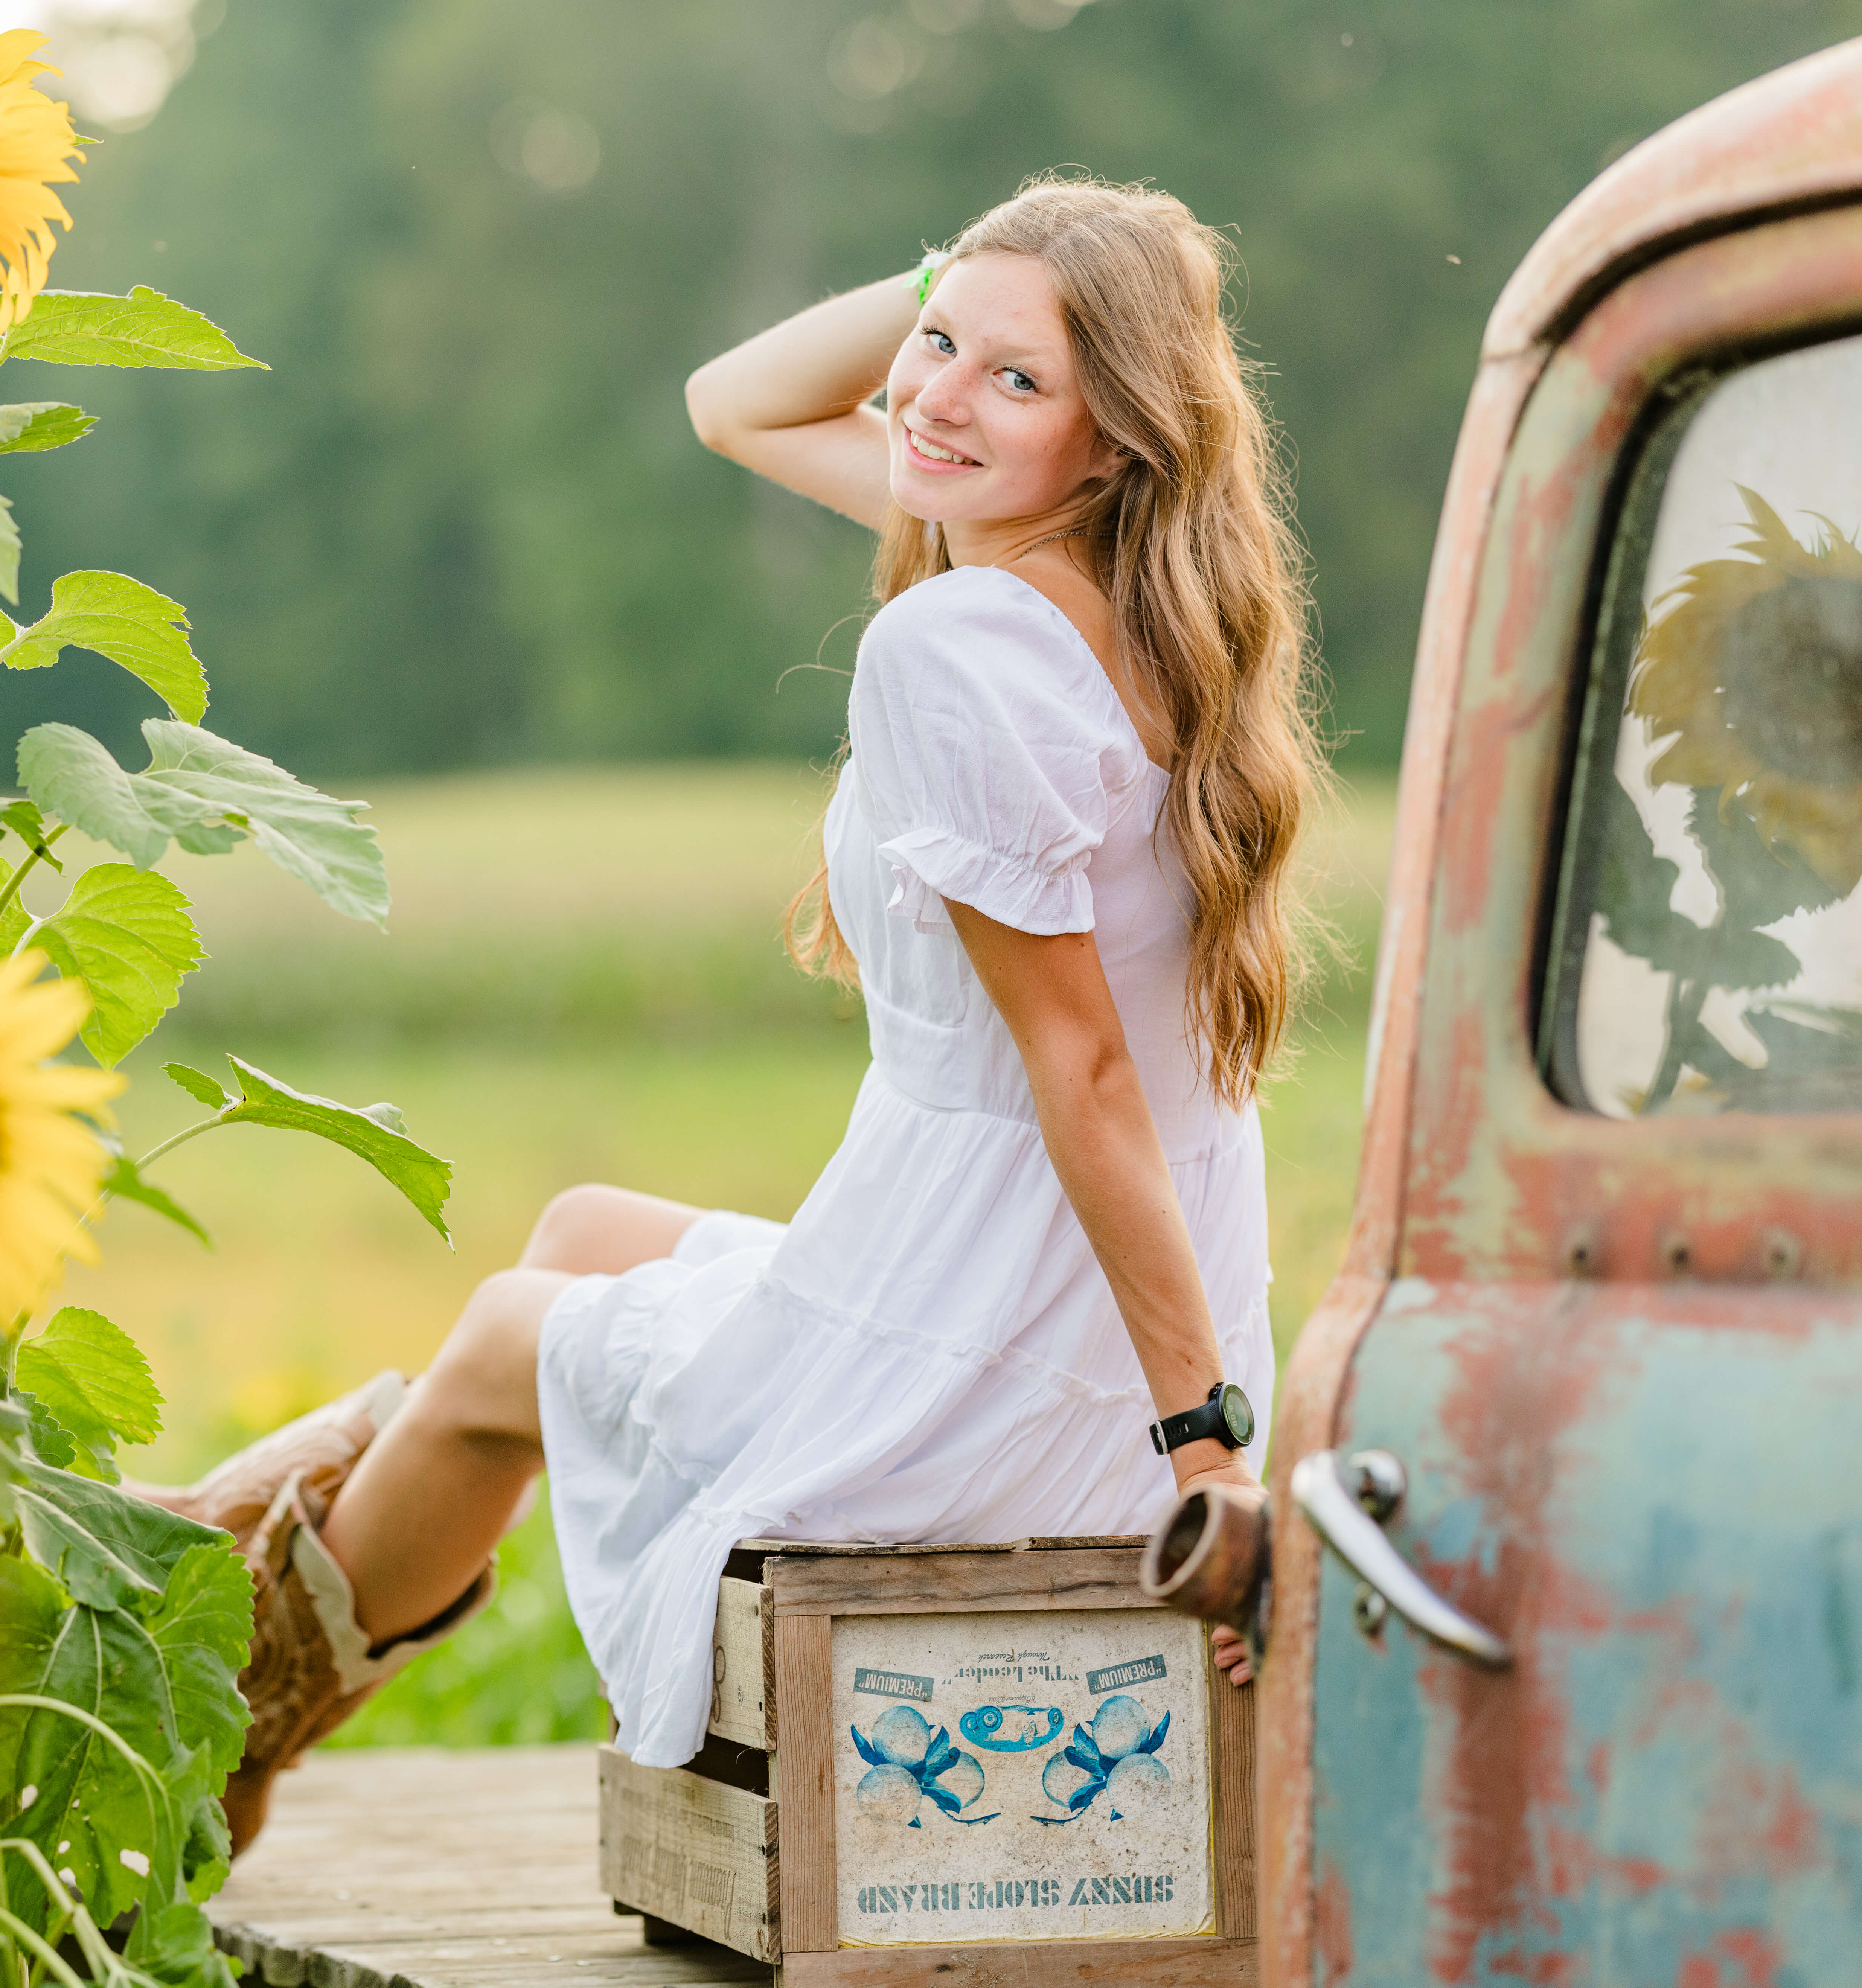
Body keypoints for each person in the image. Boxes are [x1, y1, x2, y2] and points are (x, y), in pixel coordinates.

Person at [141, 175, 1320, 1848]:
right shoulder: (1128, 594)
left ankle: (225, 1712)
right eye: (933, 349)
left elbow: (1085, 1068)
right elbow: (733, 403)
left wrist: (1203, 1446)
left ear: (1118, 438)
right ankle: (242, 1576)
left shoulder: (961, 645)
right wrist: (987, 282)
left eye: (1018, 380)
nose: (932, 399)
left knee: (502, 1339)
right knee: (586, 1228)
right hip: (1049, 1281)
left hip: (1028, 1344)